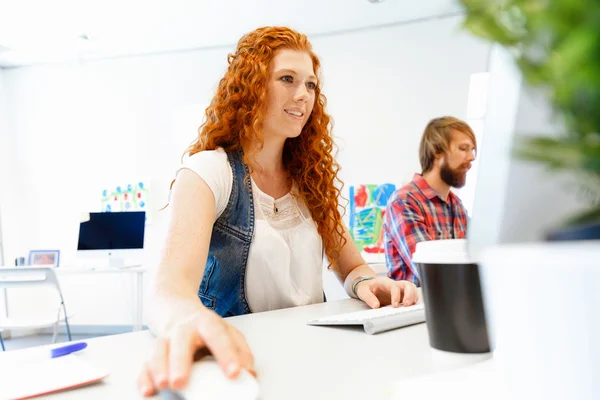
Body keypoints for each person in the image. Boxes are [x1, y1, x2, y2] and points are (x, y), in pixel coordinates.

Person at [137, 26, 419, 397]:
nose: (303, 95)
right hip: (242, 368)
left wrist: (367, 282)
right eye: (287, 79)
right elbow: (169, 290)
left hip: (313, 362)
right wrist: (188, 320)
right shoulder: (209, 173)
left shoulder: (310, 181)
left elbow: (351, 266)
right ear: (251, 85)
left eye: (311, 85)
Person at [383, 116, 477, 286]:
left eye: (473, 150)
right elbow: (430, 272)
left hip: (452, 303)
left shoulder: (457, 206)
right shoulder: (404, 202)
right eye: (464, 149)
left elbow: (479, 255)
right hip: (416, 309)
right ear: (437, 151)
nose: (472, 157)